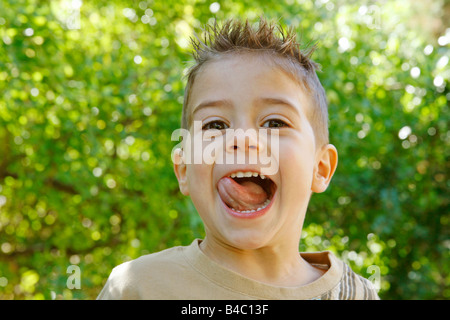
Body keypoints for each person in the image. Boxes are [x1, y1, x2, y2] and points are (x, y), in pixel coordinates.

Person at [97, 17, 379, 300]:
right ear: (183, 169)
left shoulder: (358, 295)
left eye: (274, 123)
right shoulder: (138, 287)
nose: (242, 138)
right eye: (215, 125)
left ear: (321, 168)